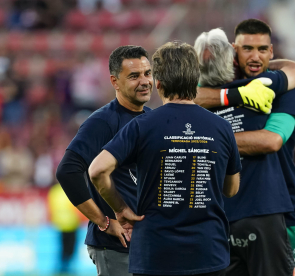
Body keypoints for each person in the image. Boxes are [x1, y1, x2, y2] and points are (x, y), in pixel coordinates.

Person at [88, 41, 242, 276]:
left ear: (158, 83)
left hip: (155, 254)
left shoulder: (141, 125)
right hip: (209, 252)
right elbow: (231, 189)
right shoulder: (221, 127)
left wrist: (120, 209)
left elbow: (97, 170)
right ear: (195, 80)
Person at [194, 21, 295, 276]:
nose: (255, 56)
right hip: (222, 213)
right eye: (247, 48)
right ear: (234, 51)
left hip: (283, 209)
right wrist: (233, 97)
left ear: (271, 52)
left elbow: (271, 141)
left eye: (262, 50)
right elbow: (186, 97)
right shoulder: (218, 89)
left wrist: (212, 141)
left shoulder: (280, 89)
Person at [55, 45, 153, 276]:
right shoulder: (103, 121)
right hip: (116, 248)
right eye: (134, 76)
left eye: (147, 73)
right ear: (114, 82)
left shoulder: (152, 118)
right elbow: (67, 171)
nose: (144, 81)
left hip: (149, 244)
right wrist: (104, 222)